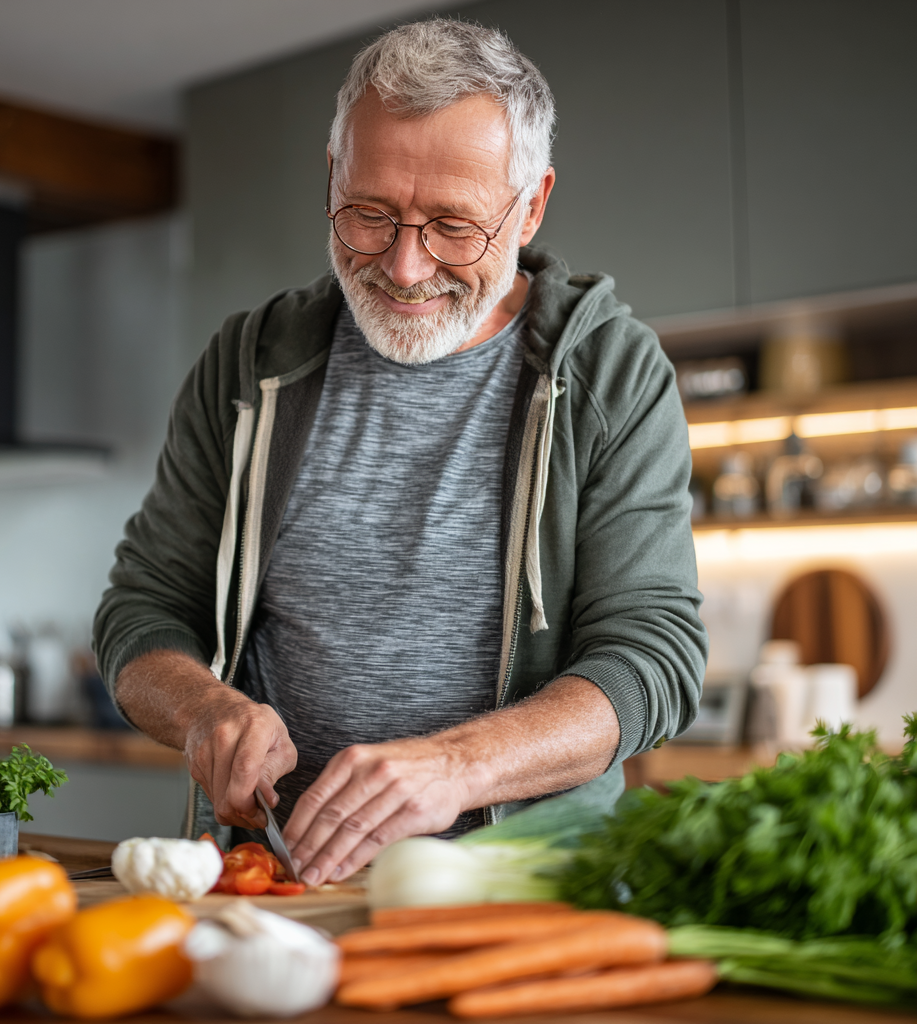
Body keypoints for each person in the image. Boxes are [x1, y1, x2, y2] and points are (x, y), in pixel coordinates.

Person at [93, 19, 707, 887]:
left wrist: (461, 765)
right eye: (369, 214)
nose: (406, 267)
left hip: (528, 898)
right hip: (274, 888)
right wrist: (204, 712)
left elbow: (653, 657)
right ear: (332, 178)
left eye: (454, 226)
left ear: (530, 205)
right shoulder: (246, 366)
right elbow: (141, 611)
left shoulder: (612, 372)